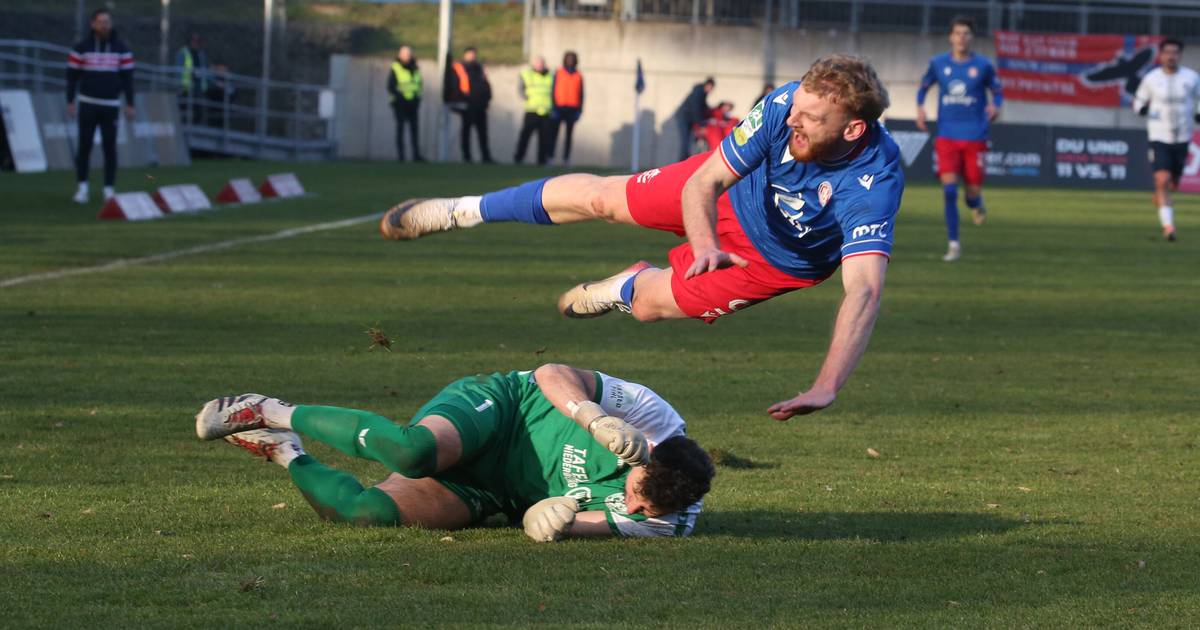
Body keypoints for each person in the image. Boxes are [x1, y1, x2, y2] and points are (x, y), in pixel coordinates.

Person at [380, 55, 903, 420]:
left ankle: (625, 287)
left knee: (652, 307)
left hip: (773, 261)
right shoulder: (786, 105)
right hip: (729, 195)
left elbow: (864, 291)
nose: (794, 120)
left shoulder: (873, 185)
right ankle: (461, 211)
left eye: (810, 119)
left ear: (852, 130)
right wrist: (703, 246)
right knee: (606, 198)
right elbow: (706, 181)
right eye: (797, 107)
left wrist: (826, 385)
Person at [194, 363, 715, 541]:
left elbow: (573, 528)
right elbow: (550, 373)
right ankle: (269, 410)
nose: (637, 509)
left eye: (650, 512)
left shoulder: (669, 520)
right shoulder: (652, 416)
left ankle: (284, 450)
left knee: (363, 514)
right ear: (647, 460)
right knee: (411, 451)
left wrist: (544, 521)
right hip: (505, 410)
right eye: (640, 497)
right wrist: (590, 415)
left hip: (493, 488)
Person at [915, 15, 1002, 262]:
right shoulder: (938, 63)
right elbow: (923, 87)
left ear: (972, 37)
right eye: (958, 33)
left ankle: (976, 203)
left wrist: (995, 106)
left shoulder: (983, 66)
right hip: (947, 136)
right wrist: (920, 108)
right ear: (951, 37)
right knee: (950, 190)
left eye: (966, 33)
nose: (962, 37)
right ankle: (954, 244)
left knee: (971, 191)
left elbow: (997, 92)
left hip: (976, 136)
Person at [1132, 38, 1200, 242]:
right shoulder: (1151, 79)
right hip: (1158, 135)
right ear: (1161, 55)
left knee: (1171, 184)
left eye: (1175, 52)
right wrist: (1141, 109)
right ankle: (1168, 227)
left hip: (1182, 136)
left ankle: (1163, 192)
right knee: (1162, 179)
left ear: (1180, 55)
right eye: (1167, 52)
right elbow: (1139, 100)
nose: (1171, 56)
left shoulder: (1191, 77)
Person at [67, 8, 135, 204]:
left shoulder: (122, 49)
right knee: (84, 147)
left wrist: (130, 103)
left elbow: (128, 79)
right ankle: (82, 188)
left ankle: (109, 189)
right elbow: (71, 78)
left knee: (110, 148)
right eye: (101, 21)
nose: (104, 25)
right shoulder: (81, 48)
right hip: (88, 103)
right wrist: (70, 101)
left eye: (107, 22)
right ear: (93, 24)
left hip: (111, 104)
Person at [444, 47, 494, 164]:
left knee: (483, 133)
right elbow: (454, 86)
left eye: (473, 54)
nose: (472, 56)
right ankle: (467, 157)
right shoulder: (459, 68)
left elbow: (486, 85)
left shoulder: (479, 68)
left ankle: (486, 157)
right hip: (467, 105)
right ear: (465, 55)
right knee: (466, 132)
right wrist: (460, 101)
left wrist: (487, 99)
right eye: (470, 54)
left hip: (480, 106)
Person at [513, 55, 554, 166]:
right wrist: (527, 98)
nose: (540, 66)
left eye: (541, 63)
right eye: (538, 64)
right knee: (525, 136)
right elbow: (521, 89)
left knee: (544, 139)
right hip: (531, 110)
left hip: (546, 111)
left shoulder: (550, 75)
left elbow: (554, 91)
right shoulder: (527, 74)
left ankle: (541, 161)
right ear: (534, 65)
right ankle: (518, 158)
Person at [387, 45, 424, 162]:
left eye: (409, 54)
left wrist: (417, 99)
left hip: (413, 103)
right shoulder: (396, 67)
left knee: (415, 130)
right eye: (405, 54)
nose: (407, 56)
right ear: (400, 55)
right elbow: (390, 86)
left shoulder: (415, 67)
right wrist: (400, 97)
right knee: (400, 129)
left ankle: (416, 155)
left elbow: (419, 84)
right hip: (400, 104)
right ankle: (401, 156)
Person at [551, 51, 584, 166]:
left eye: (572, 59)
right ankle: (551, 157)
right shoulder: (558, 72)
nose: (570, 61)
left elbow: (581, 93)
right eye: (568, 59)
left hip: (572, 108)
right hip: (559, 107)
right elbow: (553, 90)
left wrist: (580, 110)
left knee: (569, 136)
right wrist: (554, 107)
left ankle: (566, 158)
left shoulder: (578, 75)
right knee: (554, 134)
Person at [678, 77, 715, 160]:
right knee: (685, 140)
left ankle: (684, 160)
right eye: (710, 88)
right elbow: (696, 109)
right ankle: (682, 161)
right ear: (707, 85)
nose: (710, 90)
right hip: (684, 118)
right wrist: (701, 124)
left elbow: (704, 107)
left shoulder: (702, 93)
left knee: (688, 141)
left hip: (689, 118)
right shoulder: (698, 92)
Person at [176, 31, 208, 123]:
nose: (195, 43)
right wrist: (179, 85)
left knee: (198, 111)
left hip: (198, 87)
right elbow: (178, 70)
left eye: (197, 41)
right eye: (193, 41)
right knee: (183, 110)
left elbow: (204, 69)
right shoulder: (183, 52)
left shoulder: (200, 54)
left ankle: (196, 129)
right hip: (185, 87)